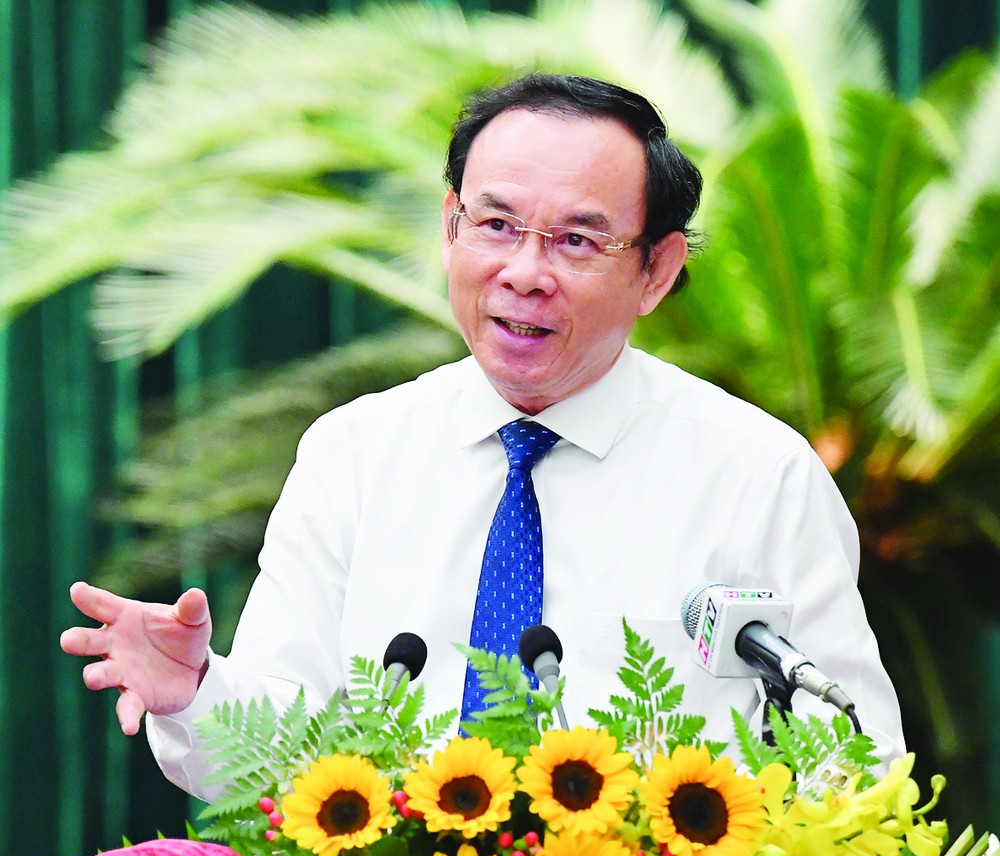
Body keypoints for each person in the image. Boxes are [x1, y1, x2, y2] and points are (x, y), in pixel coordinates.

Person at [61, 74, 905, 799]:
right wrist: (197, 694)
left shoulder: (761, 476)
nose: (526, 273)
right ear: (450, 228)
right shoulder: (354, 455)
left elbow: (854, 760)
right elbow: (283, 759)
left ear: (657, 270)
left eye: (577, 240)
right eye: (495, 225)